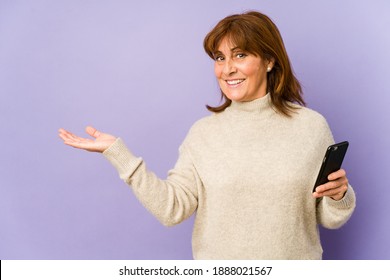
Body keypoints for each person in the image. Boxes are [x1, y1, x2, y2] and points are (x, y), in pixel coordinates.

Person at [58, 11, 356, 259]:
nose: (227, 69)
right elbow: (171, 209)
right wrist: (118, 154)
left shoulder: (311, 127)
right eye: (219, 57)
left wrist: (340, 195)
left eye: (240, 55)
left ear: (269, 60)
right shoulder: (203, 134)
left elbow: (330, 217)